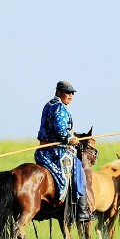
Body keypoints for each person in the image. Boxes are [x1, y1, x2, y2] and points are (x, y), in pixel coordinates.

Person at [35, 80, 91, 222]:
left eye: (72, 93)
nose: (71, 95)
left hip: (43, 150)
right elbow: (61, 132)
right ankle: (82, 211)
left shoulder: (49, 105)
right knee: (79, 170)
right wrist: (72, 139)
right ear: (58, 92)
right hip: (57, 152)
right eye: (67, 92)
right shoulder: (60, 107)